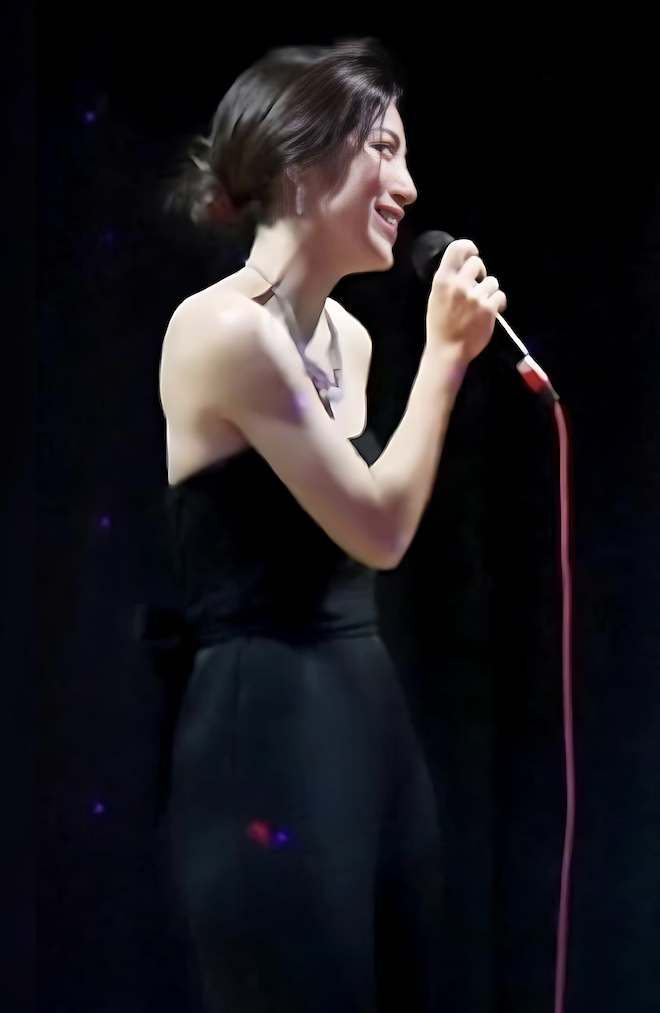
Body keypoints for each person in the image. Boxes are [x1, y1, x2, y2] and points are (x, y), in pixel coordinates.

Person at [139, 36, 506, 1013]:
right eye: (384, 149)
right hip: (266, 722)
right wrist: (445, 360)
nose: (409, 186)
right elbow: (378, 529)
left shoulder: (351, 337)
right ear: (300, 160)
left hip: (364, 710)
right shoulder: (223, 328)